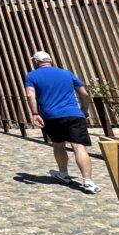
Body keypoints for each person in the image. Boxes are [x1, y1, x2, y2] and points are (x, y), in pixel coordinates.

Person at [25, 50, 100, 194]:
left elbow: (30, 94)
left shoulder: (32, 75)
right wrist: (84, 110)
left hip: (51, 116)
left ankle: (63, 174)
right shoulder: (67, 73)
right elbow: (84, 94)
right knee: (79, 147)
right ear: (50, 61)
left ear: (35, 61)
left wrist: (35, 113)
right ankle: (88, 181)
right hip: (73, 114)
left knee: (58, 145)